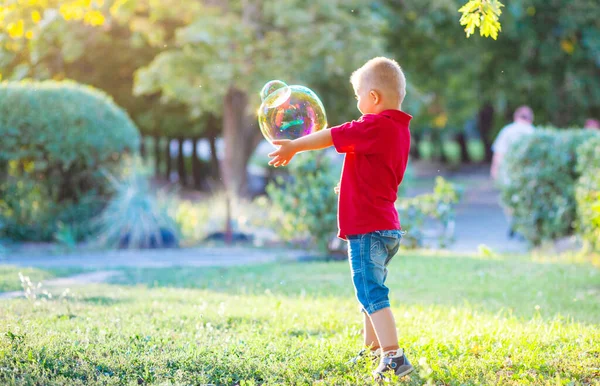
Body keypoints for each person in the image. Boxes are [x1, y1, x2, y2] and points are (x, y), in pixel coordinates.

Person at [268, 57, 413, 380]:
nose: (357, 103)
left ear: (373, 98)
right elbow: (374, 171)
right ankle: (373, 350)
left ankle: (394, 356)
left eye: (359, 95)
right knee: (369, 290)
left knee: (371, 291)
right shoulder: (397, 130)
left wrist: (293, 146)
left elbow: (331, 136)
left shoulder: (373, 125)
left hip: (368, 229)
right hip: (386, 227)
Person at [490, 105, 535, 182]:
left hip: (508, 173)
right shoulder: (534, 132)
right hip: (529, 174)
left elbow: (499, 153)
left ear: (515, 117)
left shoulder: (507, 130)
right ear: (531, 118)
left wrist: (494, 170)